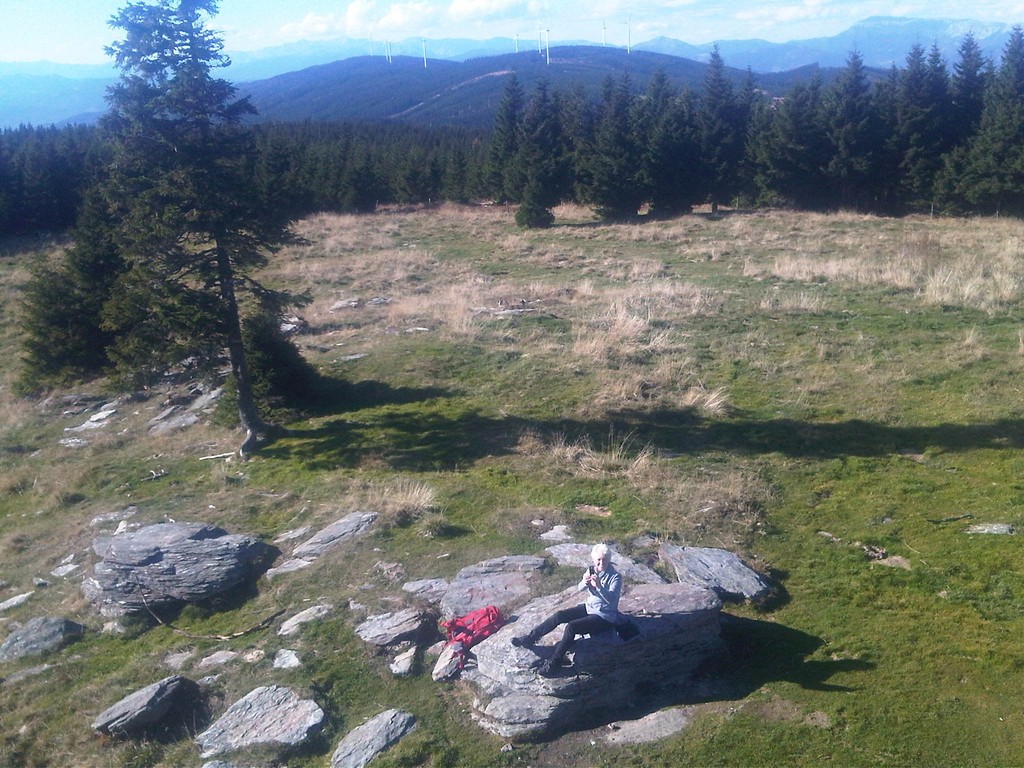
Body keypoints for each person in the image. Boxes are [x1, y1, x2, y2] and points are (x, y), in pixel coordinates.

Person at [511, 542, 623, 677]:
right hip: (590, 608)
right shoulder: (592, 570)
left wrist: (599, 586)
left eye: (604, 560)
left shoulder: (615, 577)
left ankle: (555, 662)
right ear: (594, 559)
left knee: (572, 627)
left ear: (609, 560)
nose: (601, 563)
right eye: (598, 559)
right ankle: (530, 638)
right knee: (559, 615)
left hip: (604, 617)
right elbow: (580, 588)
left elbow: (611, 600)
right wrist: (585, 582)